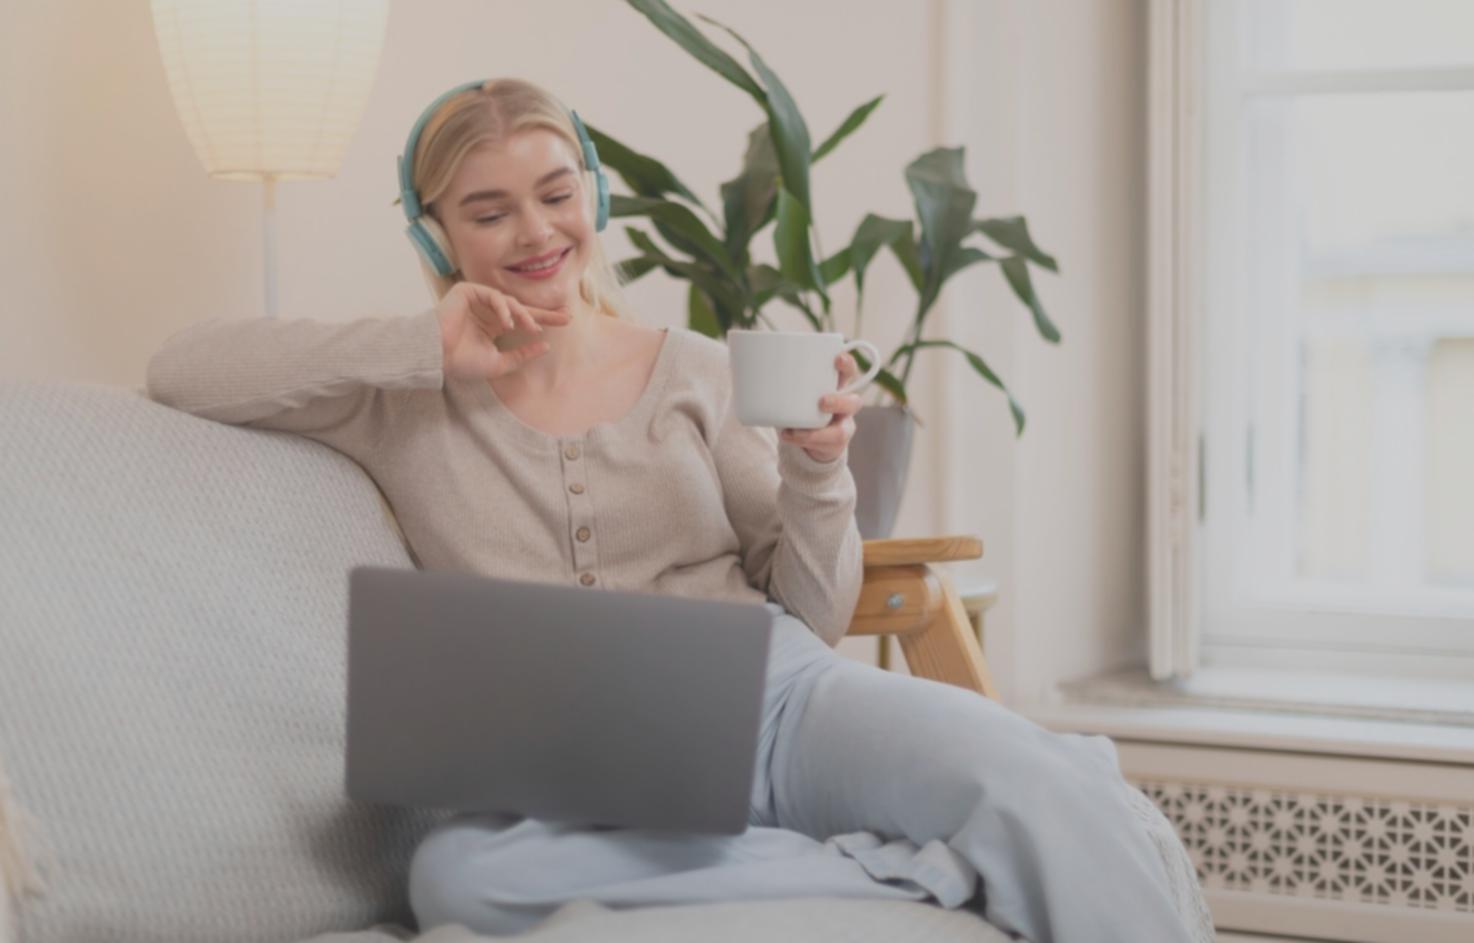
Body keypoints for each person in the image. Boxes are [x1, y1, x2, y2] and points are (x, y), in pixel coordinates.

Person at [145, 78, 1212, 943]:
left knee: (1035, 777)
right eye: (488, 210)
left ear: (595, 198)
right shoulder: (394, 399)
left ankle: (928, 845)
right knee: (460, 878)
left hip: (778, 704)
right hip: (564, 774)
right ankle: (900, 872)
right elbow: (185, 367)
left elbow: (816, 607)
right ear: (434, 241)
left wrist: (818, 470)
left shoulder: (694, 371)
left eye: (557, 193)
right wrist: (424, 345)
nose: (535, 231)